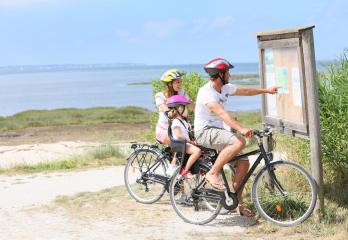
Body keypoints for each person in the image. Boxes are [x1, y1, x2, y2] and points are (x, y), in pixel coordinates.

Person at [194, 58, 279, 217]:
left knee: (243, 163)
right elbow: (222, 114)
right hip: (204, 132)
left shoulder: (224, 88)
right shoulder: (206, 93)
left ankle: (237, 205)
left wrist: (267, 91)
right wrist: (241, 128)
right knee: (239, 141)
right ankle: (213, 173)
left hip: (218, 132)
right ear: (220, 74)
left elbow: (245, 91)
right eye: (228, 72)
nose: (230, 76)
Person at [154, 69, 194, 176]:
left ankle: (181, 172)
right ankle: (172, 173)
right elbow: (164, 108)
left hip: (178, 129)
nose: (180, 84)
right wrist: (172, 113)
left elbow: (191, 106)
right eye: (177, 82)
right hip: (164, 131)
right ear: (169, 84)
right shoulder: (160, 96)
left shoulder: (182, 93)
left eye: (180, 81)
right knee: (180, 145)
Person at [167, 95, 201, 178]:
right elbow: (179, 135)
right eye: (186, 108)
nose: (187, 110)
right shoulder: (176, 122)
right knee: (197, 151)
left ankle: (195, 170)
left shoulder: (183, 121)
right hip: (180, 144)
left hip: (183, 144)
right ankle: (185, 170)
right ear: (179, 109)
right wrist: (190, 142)